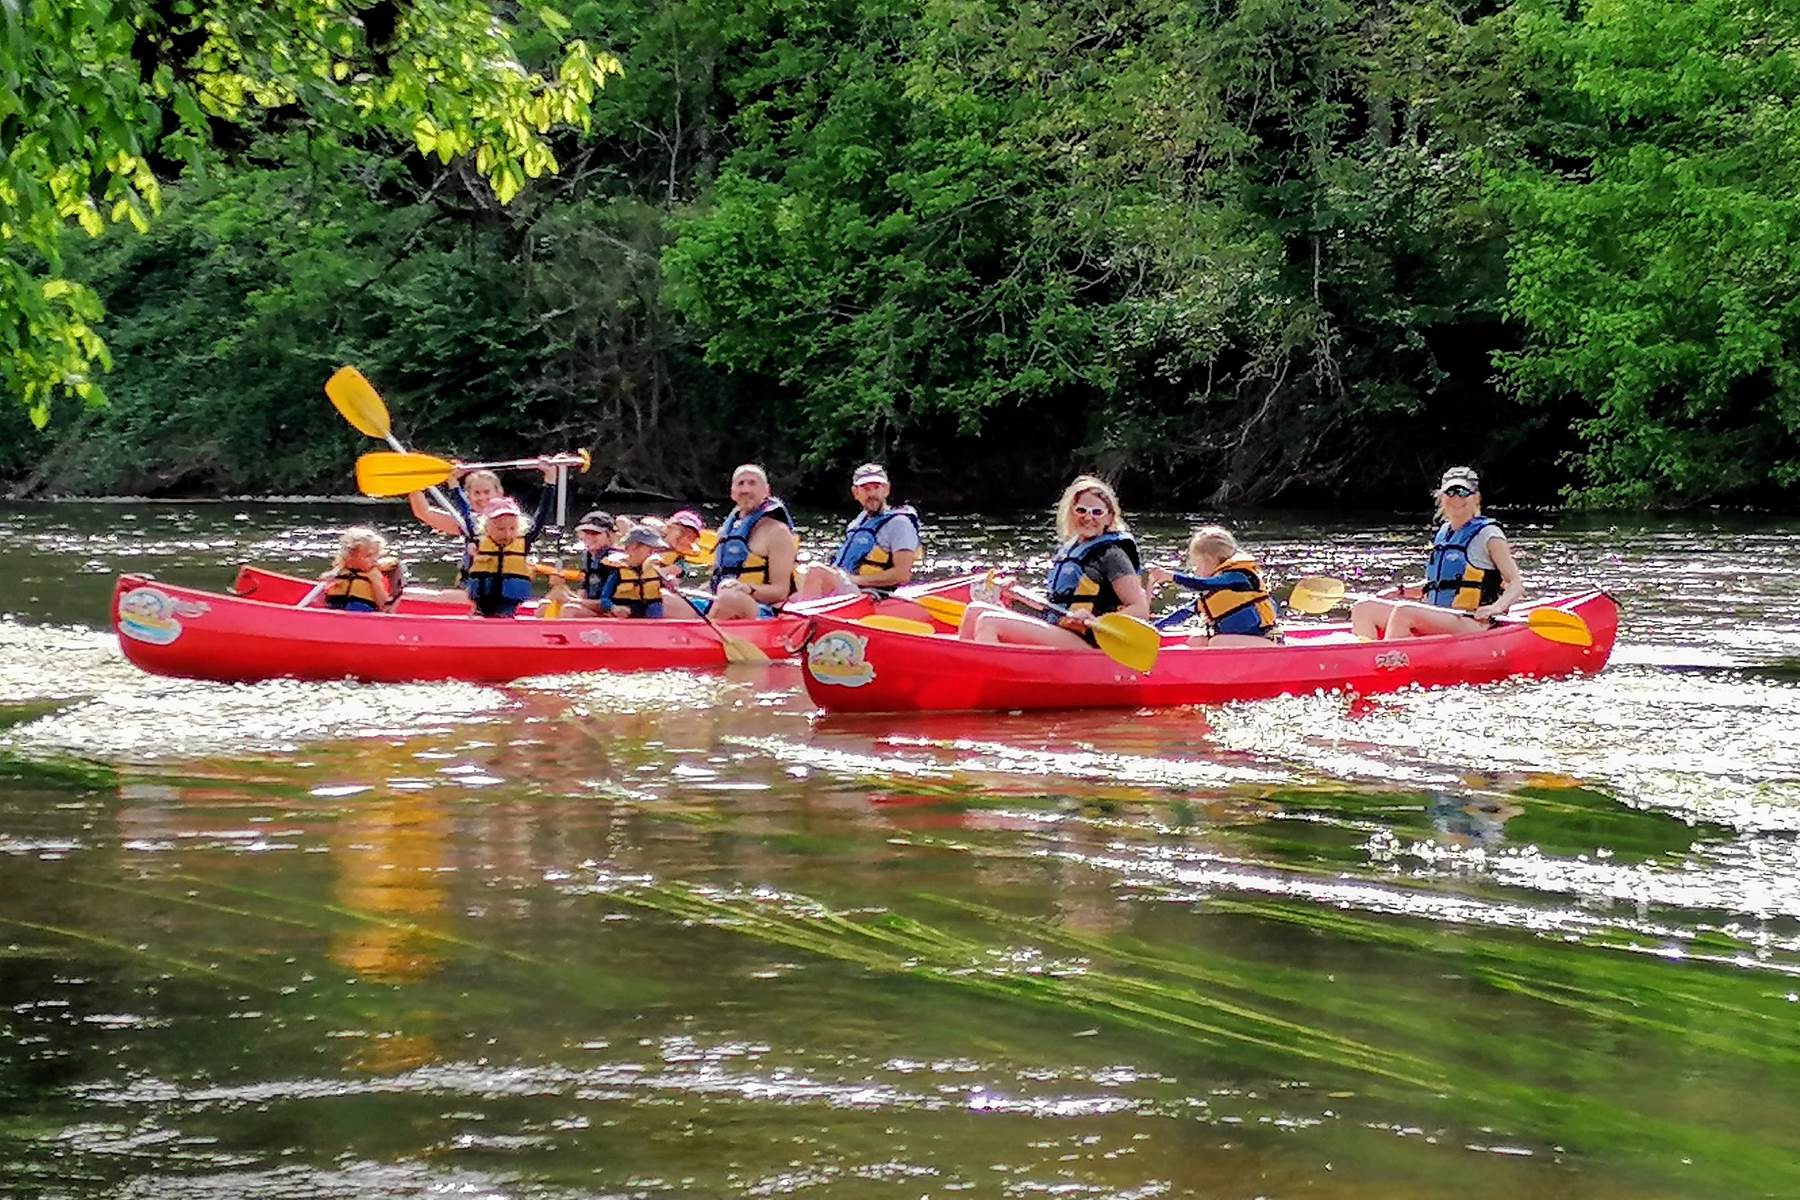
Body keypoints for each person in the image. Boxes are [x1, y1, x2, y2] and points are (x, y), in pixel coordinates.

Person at [957, 475, 1150, 649]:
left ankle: (990, 674)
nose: (1088, 517)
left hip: (1089, 641)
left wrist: (1097, 620)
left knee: (988, 621)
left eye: (1097, 512)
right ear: (1072, 513)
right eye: (1081, 510)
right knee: (974, 611)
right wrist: (1020, 596)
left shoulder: (1113, 555)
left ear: (1109, 517)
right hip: (1061, 630)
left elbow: (1140, 609)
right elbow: (1057, 604)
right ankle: (964, 672)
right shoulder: (1071, 549)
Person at [1351, 465, 1525, 640]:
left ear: (1476, 498)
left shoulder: (1489, 534)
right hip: (1440, 616)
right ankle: (1368, 653)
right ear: (1442, 497)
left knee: (1404, 611)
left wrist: (1495, 608)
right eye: (1450, 492)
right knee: (1363, 608)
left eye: (1463, 492)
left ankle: (1390, 655)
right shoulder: (1444, 533)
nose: (1456, 498)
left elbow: (1516, 584)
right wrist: (1401, 591)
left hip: (1472, 621)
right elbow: (1439, 584)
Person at [405, 462, 558, 604]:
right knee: (415, 594)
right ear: (468, 497)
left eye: (487, 492)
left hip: (503, 593)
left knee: (432, 596)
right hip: (473, 592)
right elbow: (423, 512)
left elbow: (542, 514)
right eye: (476, 493)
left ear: (499, 492)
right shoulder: (470, 525)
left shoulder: (516, 524)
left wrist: (550, 478)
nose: (482, 497)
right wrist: (414, 481)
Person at [662, 466, 798, 621]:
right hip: (719, 602)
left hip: (758, 608)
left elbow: (780, 591)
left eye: (752, 483)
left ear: (766, 491)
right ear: (733, 493)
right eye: (741, 483)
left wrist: (747, 589)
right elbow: (717, 578)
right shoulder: (725, 531)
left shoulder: (777, 532)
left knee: (729, 599)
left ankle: (703, 627)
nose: (746, 489)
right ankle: (700, 626)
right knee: (663, 599)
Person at [794, 463, 922, 600]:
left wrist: (853, 580)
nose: (872, 494)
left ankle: (806, 611)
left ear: (886, 490)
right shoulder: (858, 523)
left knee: (815, 570)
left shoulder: (900, 524)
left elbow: (902, 575)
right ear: (856, 493)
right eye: (866, 489)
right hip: (848, 586)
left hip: (870, 593)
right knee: (798, 572)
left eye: (876, 487)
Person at [1146, 525, 1280, 647]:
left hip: (1265, 640)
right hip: (1241, 640)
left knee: (1217, 642)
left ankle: (1273, 651)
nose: (1195, 571)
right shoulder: (1211, 595)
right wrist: (1151, 628)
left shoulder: (1238, 577)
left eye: (1197, 566)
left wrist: (1172, 576)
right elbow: (1184, 613)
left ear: (1210, 560)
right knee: (1195, 642)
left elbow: (1201, 584)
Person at [464, 498, 551, 618]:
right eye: (500, 529)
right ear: (486, 527)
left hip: (508, 605)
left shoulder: (524, 543)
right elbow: (465, 513)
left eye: (512, 528)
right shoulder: (477, 542)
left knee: (503, 615)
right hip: (481, 603)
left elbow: (541, 516)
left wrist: (549, 488)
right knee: (478, 616)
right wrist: (455, 488)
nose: (507, 534)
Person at [597, 527, 673, 618]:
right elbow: (604, 599)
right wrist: (614, 608)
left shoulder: (658, 569)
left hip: (653, 617)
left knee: (655, 607)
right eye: (650, 548)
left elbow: (672, 592)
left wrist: (671, 583)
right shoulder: (618, 571)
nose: (652, 553)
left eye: (655, 549)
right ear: (633, 548)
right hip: (628, 617)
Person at [555, 509, 619, 618]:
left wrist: (569, 599)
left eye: (595, 533)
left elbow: (605, 604)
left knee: (569, 610)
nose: (589, 537)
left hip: (612, 613)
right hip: (595, 609)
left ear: (609, 535)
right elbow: (583, 595)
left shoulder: (614, 560)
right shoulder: (590, 558)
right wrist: (562, 590)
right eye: (585, 532)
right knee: (546, 604)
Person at [320, 527, 392, 613]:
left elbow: (385, 607)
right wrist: (326, 581)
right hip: (334, 616)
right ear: (350, 556)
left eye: (376, 555)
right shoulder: (340, 571)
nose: (374, 559)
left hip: (363, 618)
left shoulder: (375, 575)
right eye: (368, 556)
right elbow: (321, 600)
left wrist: (376, 582)